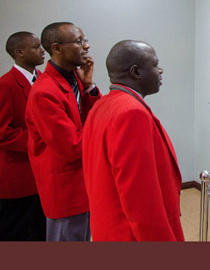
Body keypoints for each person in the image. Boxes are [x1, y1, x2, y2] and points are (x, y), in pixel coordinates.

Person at [82, 40, 184, 241]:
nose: (160, 70)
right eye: (155, 65)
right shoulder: (131, 113)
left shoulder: (104, 104)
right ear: (136, 72)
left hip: (109, 224)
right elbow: (140, 198)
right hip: (130, 234)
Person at [25, 22, 101, 241]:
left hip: (81, 181)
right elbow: (71, 147)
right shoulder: (44, 92)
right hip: (64, 188)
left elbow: (81, 120)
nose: (87, 46)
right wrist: (101, 123)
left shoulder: (73, 77)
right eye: (79, 41)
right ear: (57, 48)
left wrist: (89, 88)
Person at [0, 32, 46, 241]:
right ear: (19, 53)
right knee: (17, 235)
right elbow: (3, 132)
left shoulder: (45, 81)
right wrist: (42, 142)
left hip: (42, 176)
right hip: (19, 178)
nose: (42, 50)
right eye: (36, 46)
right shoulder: (6, 84)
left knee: (40, 233)